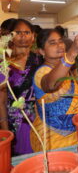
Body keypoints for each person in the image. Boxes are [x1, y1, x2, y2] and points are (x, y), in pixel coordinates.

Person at [30, 29, 78, 151]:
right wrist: (72, 53)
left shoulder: (66, 69)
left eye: (60, 41)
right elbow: (51, 84)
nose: (59, 45)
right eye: (52, 43)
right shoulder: (41, 72)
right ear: (42, 51)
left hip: (74, 136)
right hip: (51, 140)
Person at [0, 19, 42, 155]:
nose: (23, 36)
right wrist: (6, 131)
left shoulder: (41, 60)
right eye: (18, 32)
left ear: (33, 36)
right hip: (15, 123)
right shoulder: (4, 64)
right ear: (11, 36)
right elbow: (1, 101)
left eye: (27, 32)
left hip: (40, 120)